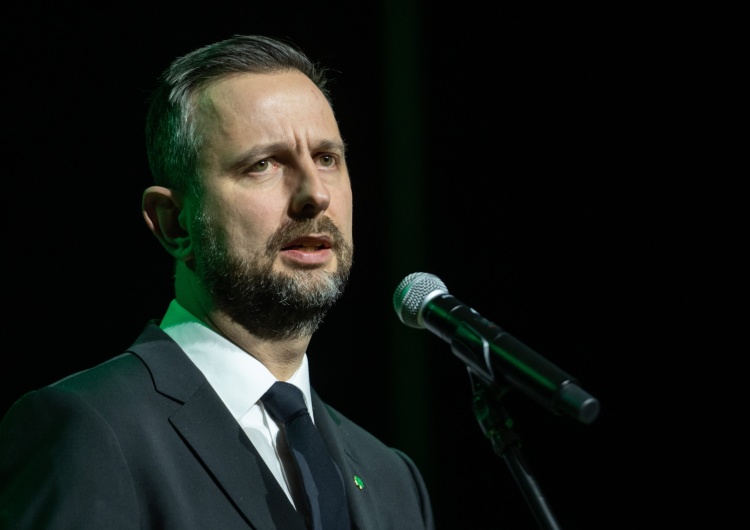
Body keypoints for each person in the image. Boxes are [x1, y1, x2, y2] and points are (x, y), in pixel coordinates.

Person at [0, 34, 434, 529]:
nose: (315, 195)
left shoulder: (393, 479)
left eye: (326, 158)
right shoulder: (88, 431)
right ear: (174, 223)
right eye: (263, 165)